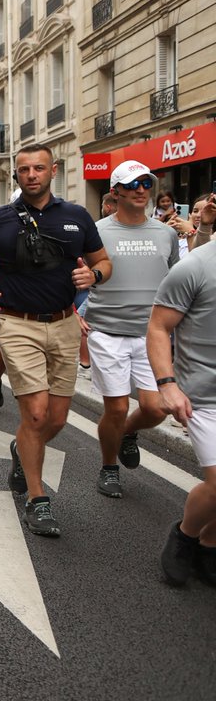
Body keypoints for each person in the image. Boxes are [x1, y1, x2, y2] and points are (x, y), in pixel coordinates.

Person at [0, 143, 111, 537]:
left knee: (56, 420)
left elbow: (103, 261)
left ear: (53, 171)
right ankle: (36, 498)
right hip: (18, 324)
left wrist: (94, 276)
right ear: (16, 174)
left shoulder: (77, 216)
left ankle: (21, 447)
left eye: (39, 168)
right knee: (38, 415)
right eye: (24, 169)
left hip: (64, 323)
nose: (31, 175)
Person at [80, 161, 178, 501]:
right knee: (117, 408)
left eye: (146, 184)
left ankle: (125, 434)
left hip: (152, 335)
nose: (141, 190)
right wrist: (73, 312)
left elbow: (177, 282)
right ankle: (109, 467)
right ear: (115, 192)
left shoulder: (166, 234)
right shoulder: (96, 233)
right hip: (107, 332)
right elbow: (73, 274)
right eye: (132, 184)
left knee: (156, 408)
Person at [149, 232, 216, 585]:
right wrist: (167, 385)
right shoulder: (195, 266)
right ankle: (186, 535)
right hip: (205, 396)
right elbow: (159, 327)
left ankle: (209, 544)